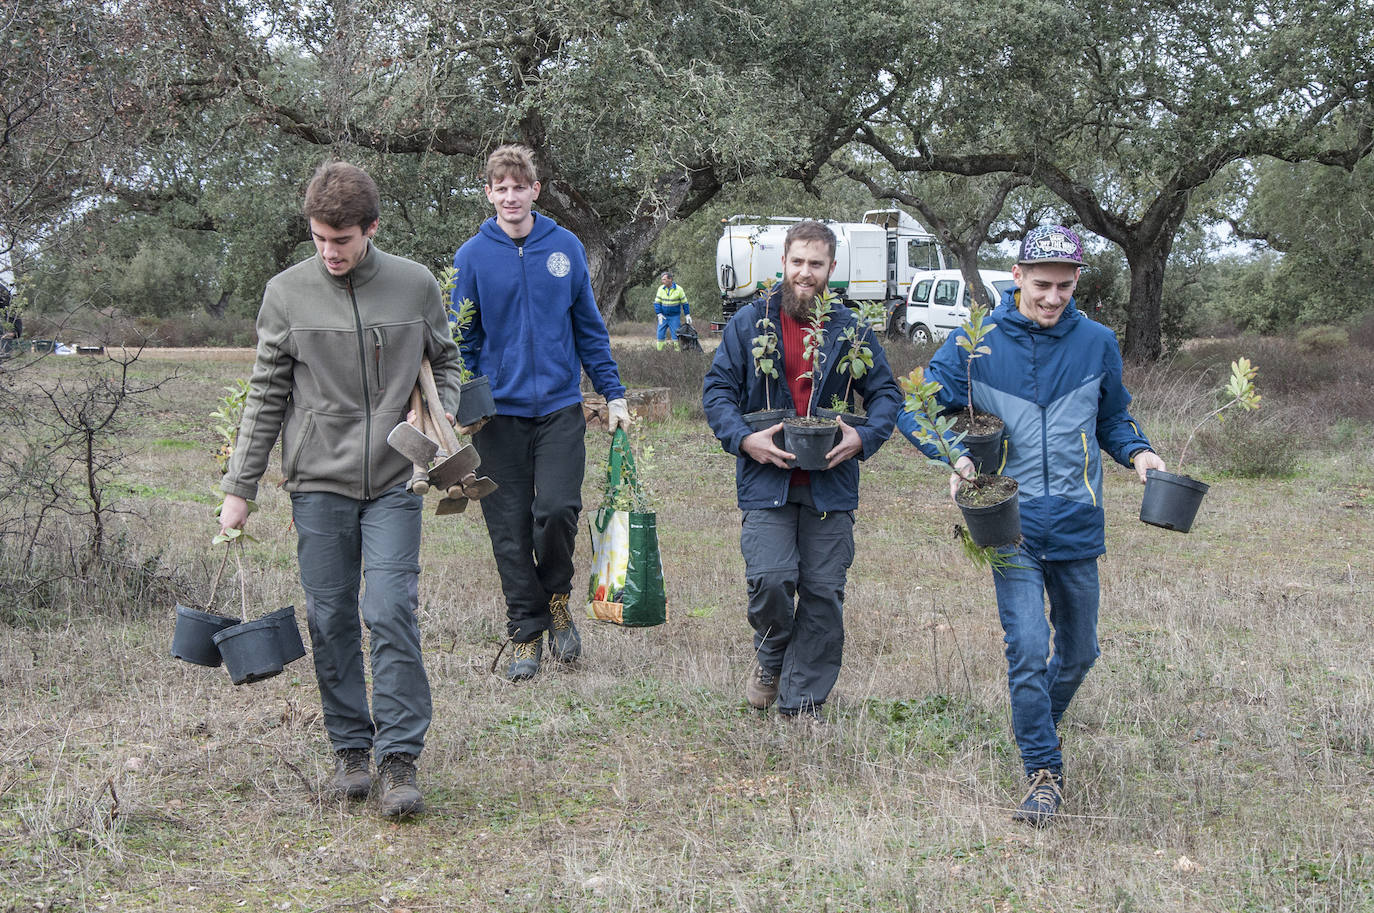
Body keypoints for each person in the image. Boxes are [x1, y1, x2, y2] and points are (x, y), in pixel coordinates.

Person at [899, 225, 1166, 826]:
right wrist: (955, 457)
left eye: (1064, 287)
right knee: (1026, 650)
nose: (1052, 298)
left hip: (1075, 522)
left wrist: (1139, 452)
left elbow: (1114, 416)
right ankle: (1043, 772)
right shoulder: (980, 342)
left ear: (1078, 284)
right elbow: (916, 410)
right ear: (1016, 276)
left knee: (1078, 653)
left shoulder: (1097, 342)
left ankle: (1035, 719)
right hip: (1007, 524)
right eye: (1041, 285)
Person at [218, 161, 462, 818]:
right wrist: (240, 488)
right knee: (329, 617)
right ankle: (352, 749)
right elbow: (267, 393)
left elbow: (448, 361)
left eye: (343, 240)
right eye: (320, 238)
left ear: (370, 229)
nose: (330, 252)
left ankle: (401, 759)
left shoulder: (413, 285)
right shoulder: (285, 294)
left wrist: (434, 417)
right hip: (317, 483)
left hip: (395, 478)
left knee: (388, 609)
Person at [703, 220, 902, 724]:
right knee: (770, 580)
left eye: (816, 264)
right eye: (797, 262)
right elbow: (718, 392)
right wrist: (744, 438)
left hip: (829, 485)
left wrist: (864, 436)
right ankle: (771, 658)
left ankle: (800, 704)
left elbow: (886, 394)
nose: (805, 273)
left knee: (822, 592)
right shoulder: (752, 323)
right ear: (783, 264)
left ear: (832, 270)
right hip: (765, 481)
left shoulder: (851, 330)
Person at [451, 144, 630, 682]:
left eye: (519, 186)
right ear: (489, 194)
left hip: (558, 408)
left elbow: (588, 330)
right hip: (496, 417)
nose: (510, 196)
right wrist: (463, 398)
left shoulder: (566, 248)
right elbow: (461, 338)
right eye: (499, 188)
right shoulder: (472, 257)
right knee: (507, 526)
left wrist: (613, 391)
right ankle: (525, 631)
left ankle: (556, 598)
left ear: (535, 190)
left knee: (555, 511)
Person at [653, 272, 691, 350]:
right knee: (660, 334)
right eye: (662, 279)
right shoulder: (660, 289)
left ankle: (677, 353)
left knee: (676, 335)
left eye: (664, 279)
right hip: (663, 316)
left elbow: (685, 303)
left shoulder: (679, 289)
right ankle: (659, 352)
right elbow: (657, 302)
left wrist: (687, 315)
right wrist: (659, 314)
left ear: (670, 279)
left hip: (674, 317)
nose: (662, 281)